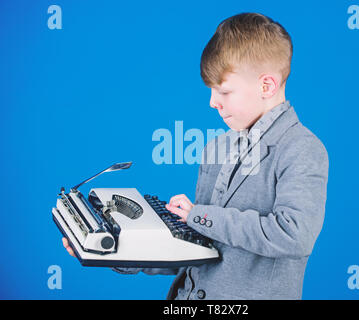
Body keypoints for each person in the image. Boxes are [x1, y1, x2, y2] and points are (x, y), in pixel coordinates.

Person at [63, 12, 329, 300]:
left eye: (224, 91)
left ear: (266, 86)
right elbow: (198, 248)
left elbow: (294, 235)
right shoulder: (216, 148)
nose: (213, 102)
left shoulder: (302, 148)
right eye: (212, 91)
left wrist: (199, 216)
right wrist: (115, 252)